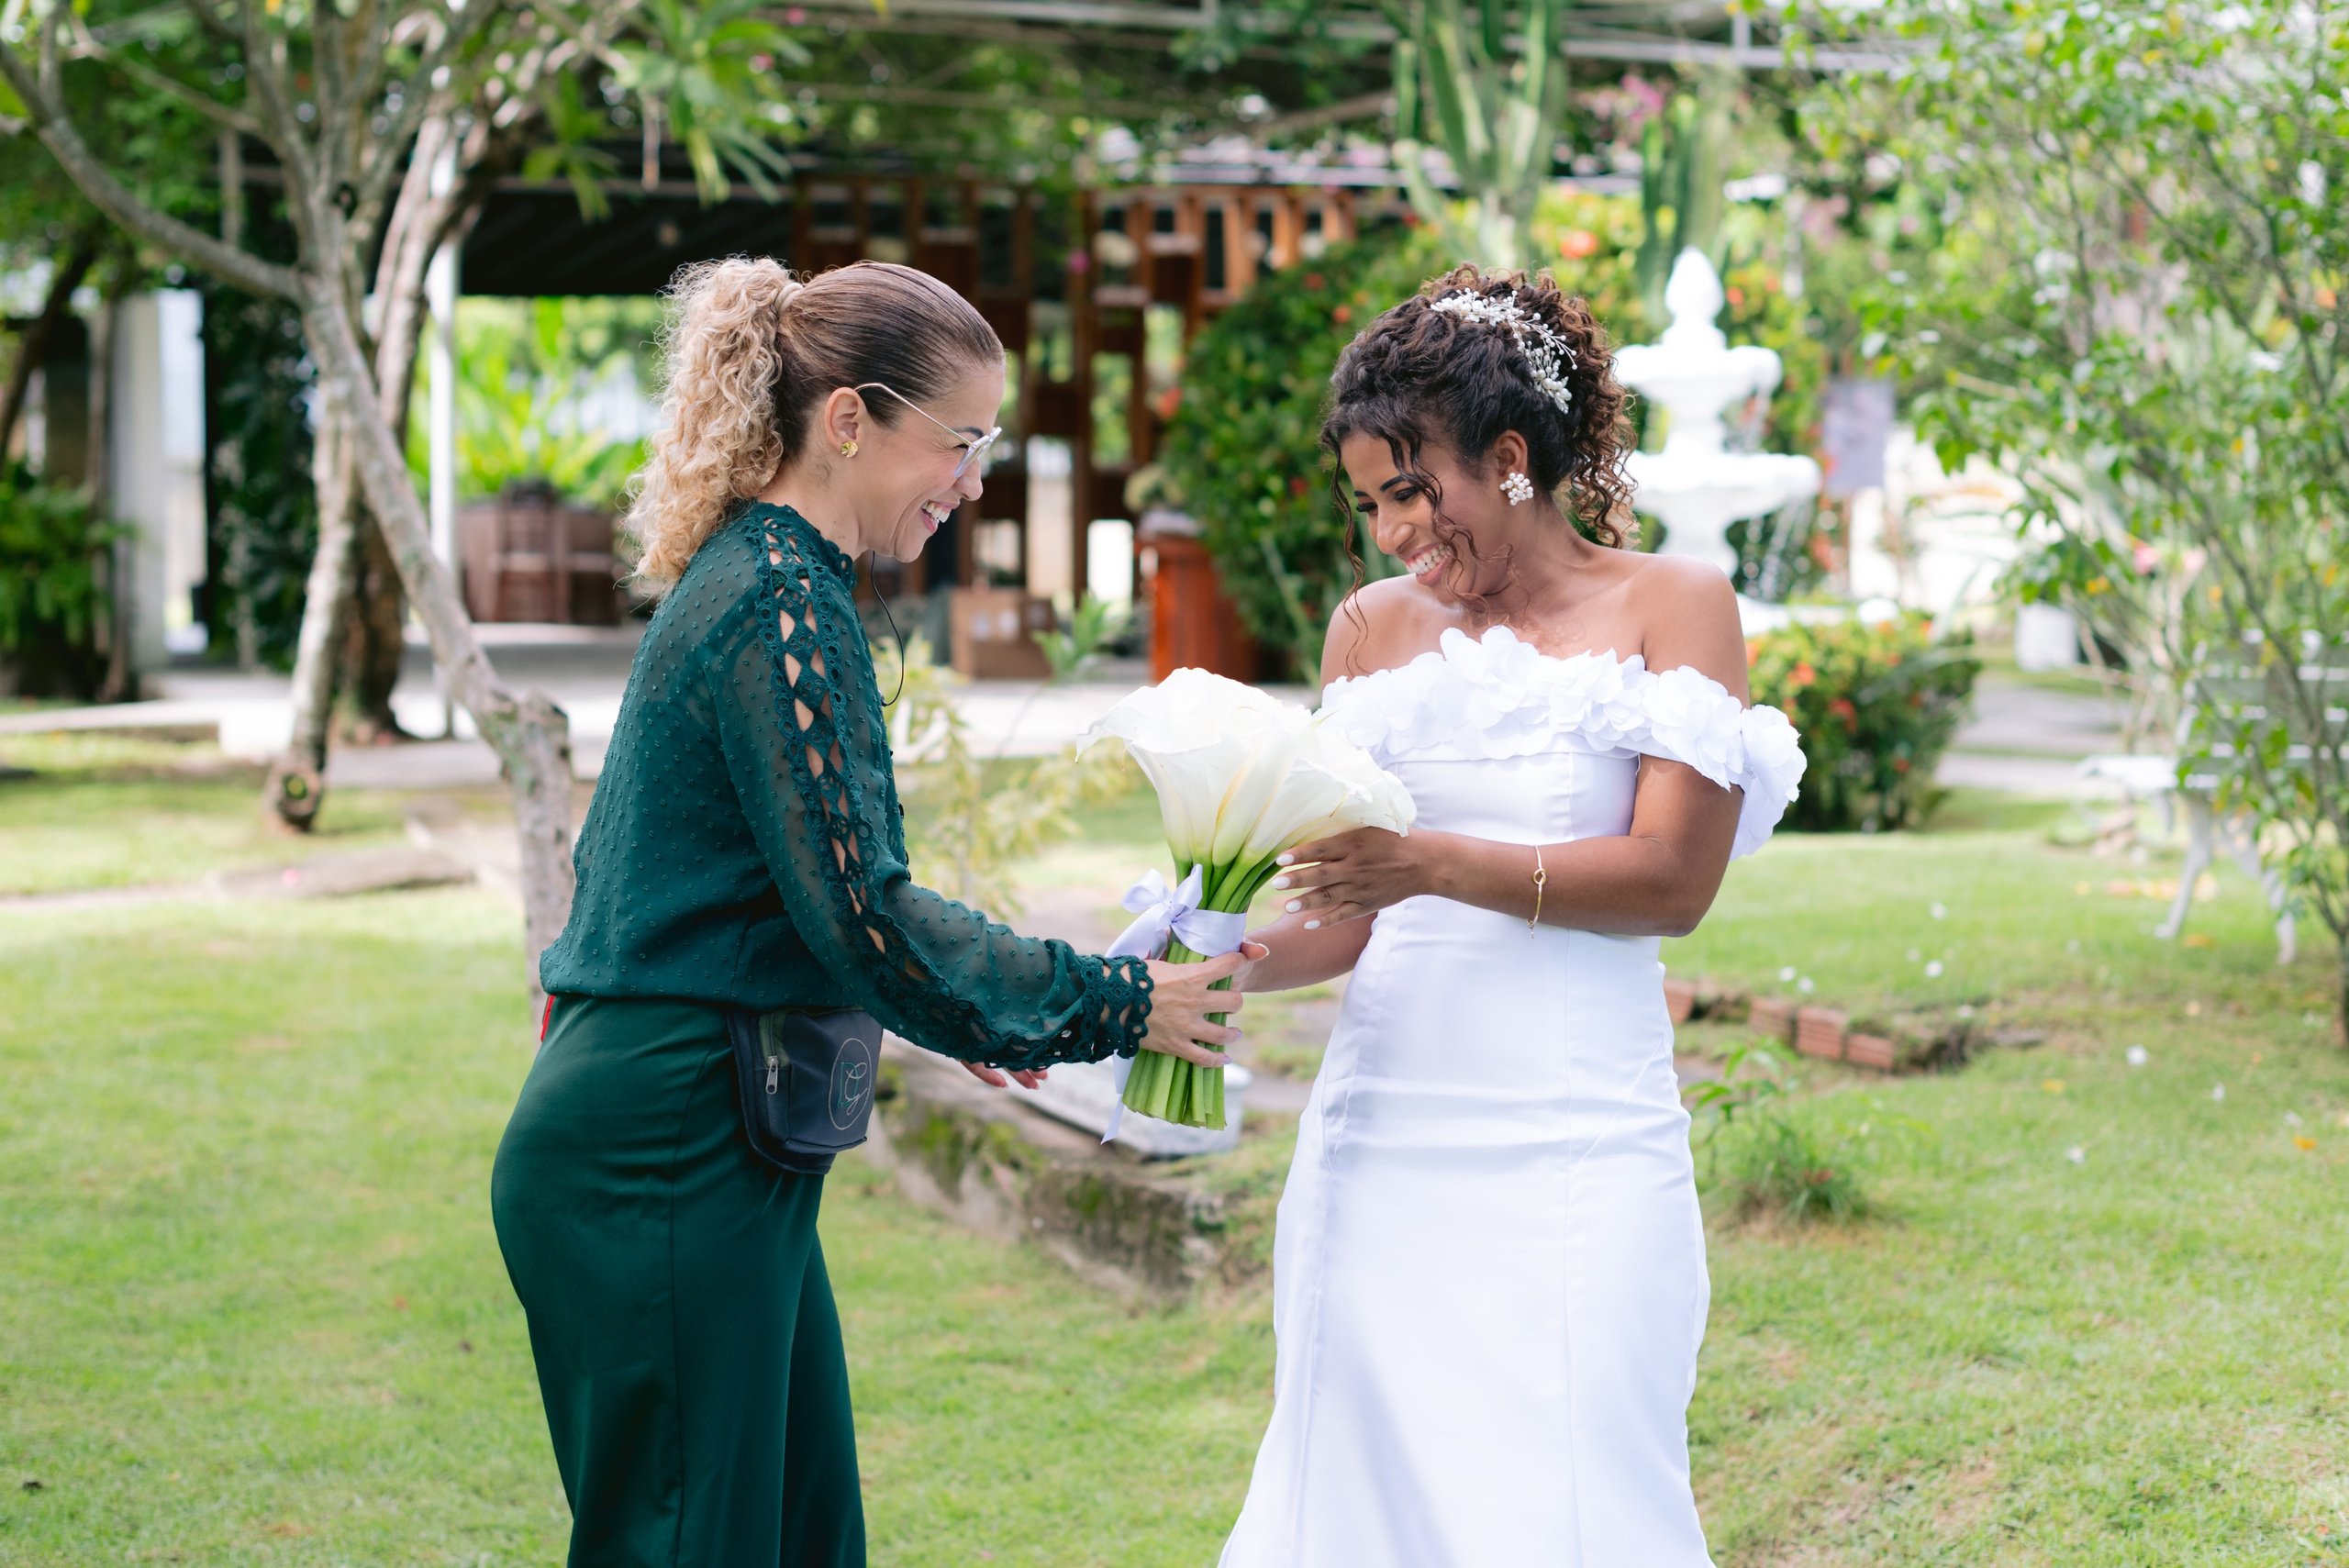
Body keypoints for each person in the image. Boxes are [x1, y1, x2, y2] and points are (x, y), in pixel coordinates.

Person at [489, 258, 1250, 1568]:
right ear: (850, 420)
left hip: (702, 1135)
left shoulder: (769, 580)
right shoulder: (782, 601)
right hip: (665, 1143)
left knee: (792, 1533)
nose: (971, 481)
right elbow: (868, 915)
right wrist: (1120, 999)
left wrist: (974, 1016)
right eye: (959, 443)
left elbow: (806, 906)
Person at [1218, 265, 1805, 1567]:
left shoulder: (1674, 604)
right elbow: (1343, 913)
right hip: (1384, 1143)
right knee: (1360, 1500)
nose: (1391, 535)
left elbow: (1672, 880)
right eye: (1371, 502)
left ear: (1512, 456)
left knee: (1580, 1494)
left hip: (1577, 1137)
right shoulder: (1366, 630)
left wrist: (1428, 861)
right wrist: (1210, 954)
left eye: (1414, 491)